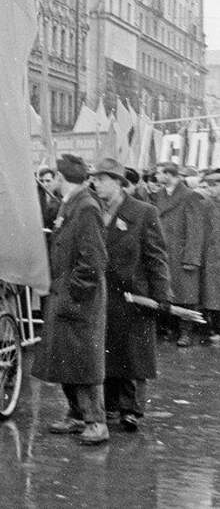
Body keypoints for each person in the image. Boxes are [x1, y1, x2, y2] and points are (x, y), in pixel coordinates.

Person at [31, 153, 109, 445]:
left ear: (62, 178)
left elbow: (94, 260)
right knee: (66, 359)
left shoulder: (86, 207)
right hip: (65, 294)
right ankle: (76, 415)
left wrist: (72, 293)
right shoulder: (71, 203)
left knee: (84, 363)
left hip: (79, 298)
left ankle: (96, 422)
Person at [90, 157, 171, 432]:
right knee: (109, 349)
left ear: (118, 183)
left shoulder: (143, 212)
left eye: (101, 179)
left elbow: (156, 256)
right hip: (105, 292)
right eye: (95, 179)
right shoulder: (94, 209)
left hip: (135, 294)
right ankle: (112, 404)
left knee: (134, 354)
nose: (95, 183)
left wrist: (161, 297)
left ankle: (132, 409)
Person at [155, 162, 206, 347]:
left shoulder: (190, 196)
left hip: (182, 253)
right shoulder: (160, 194)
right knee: (169, 293)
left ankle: (185, 332)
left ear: (169, 174)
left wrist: (192, 258)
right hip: (164, 251)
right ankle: (171, 329)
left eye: (159, 173)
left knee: (186, 295)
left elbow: (195, 230)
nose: (156, 177)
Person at [197, 168, 220, 343]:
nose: (211, 188)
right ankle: (213, 328)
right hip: (210, 255)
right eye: (210, 184)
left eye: (215, 184)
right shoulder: (205, 204)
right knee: (211, 294)